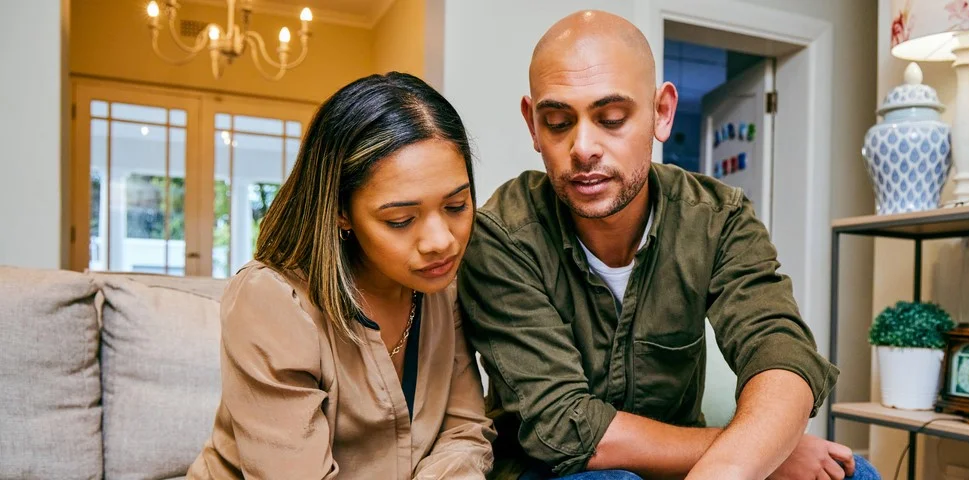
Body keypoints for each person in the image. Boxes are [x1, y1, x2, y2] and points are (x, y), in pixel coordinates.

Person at [457, 11, 881, 480]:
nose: (583, 148)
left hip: (686, 467)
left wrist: (739, 462)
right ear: (532, 125)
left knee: (854, 473)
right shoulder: (501, 234)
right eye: (558, 122)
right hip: (552, 468)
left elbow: (780, 352)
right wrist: (762, 452)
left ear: (662, 112)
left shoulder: (718, 217)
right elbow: (567, 427)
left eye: (612, 118)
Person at [188, 72, 495, 479]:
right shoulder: (272, 302)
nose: (442, 241)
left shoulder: (443, 287)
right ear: (340, 211)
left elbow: (465, 431)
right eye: (401, 219)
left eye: (456, 206)